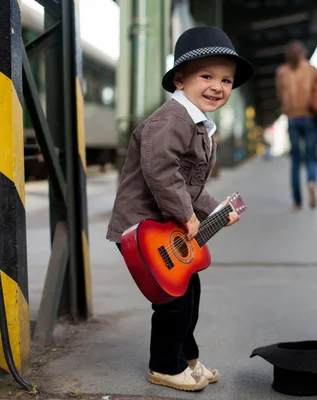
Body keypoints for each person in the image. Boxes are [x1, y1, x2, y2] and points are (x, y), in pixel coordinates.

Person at [106, 26, 254, 393]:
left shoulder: (199, 125)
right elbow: (161, 171)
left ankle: (187, 359)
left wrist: (216, 210)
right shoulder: (174, 119)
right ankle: (164, 367)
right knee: (174, 303)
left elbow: (189, 187)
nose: (218, 86)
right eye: (206, 76)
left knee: (189, 294)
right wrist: (190, 217)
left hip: (165, 229)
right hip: (144, 229)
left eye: (226, 80)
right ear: (180, 79)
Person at [276, 40, 317, 210]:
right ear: (303, 53)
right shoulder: (310, 69)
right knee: (310, 157)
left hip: (292, 118)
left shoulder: (281, 72)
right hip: (309, 117)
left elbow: (279, 95)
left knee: (295, 161)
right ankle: (312, 182)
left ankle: (297, 201)